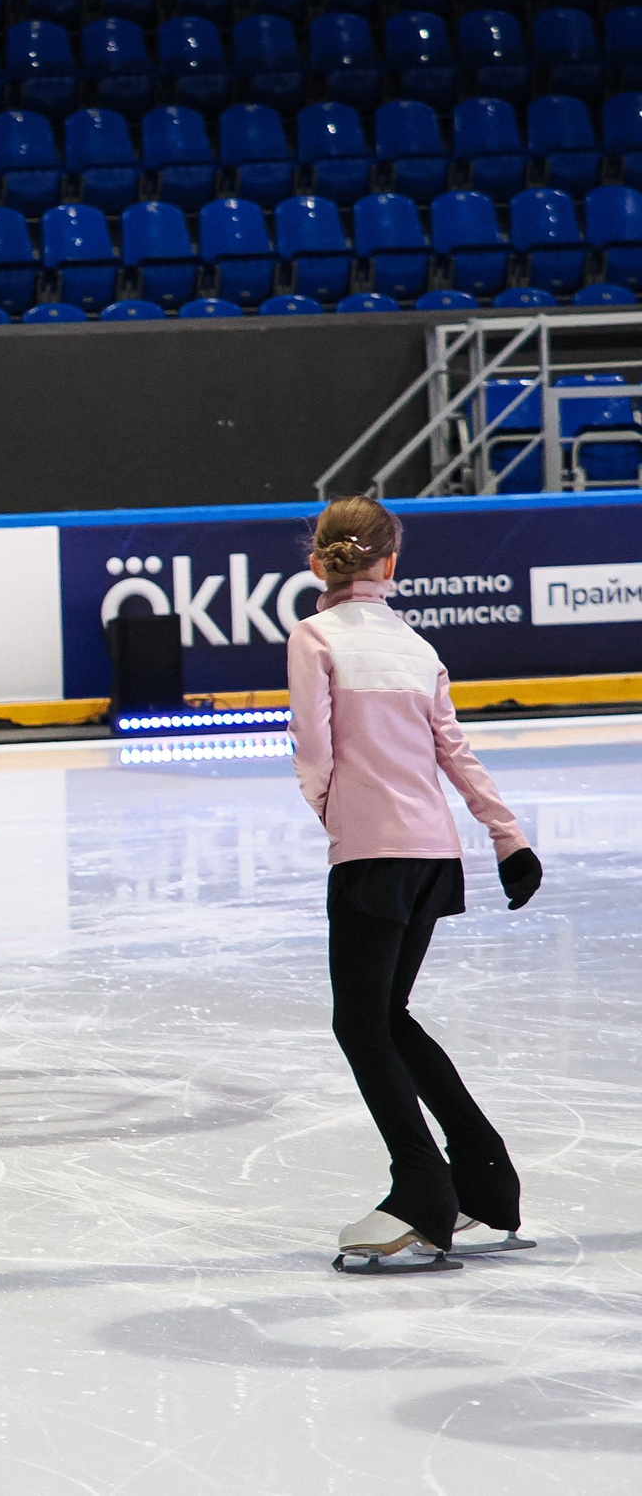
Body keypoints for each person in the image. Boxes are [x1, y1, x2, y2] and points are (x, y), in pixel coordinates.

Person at [288, 495, 544, 1273]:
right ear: (391, 565)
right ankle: (485, 1173)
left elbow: (314, 749)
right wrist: (509, 838)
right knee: (387, 1015)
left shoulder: (313, 636)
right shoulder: (416, 645)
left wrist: (336, 812)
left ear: (318, 562)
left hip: (371, 856)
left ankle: (422, 1188)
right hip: (435, 855)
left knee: (359, 1024)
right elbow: (455, 752)